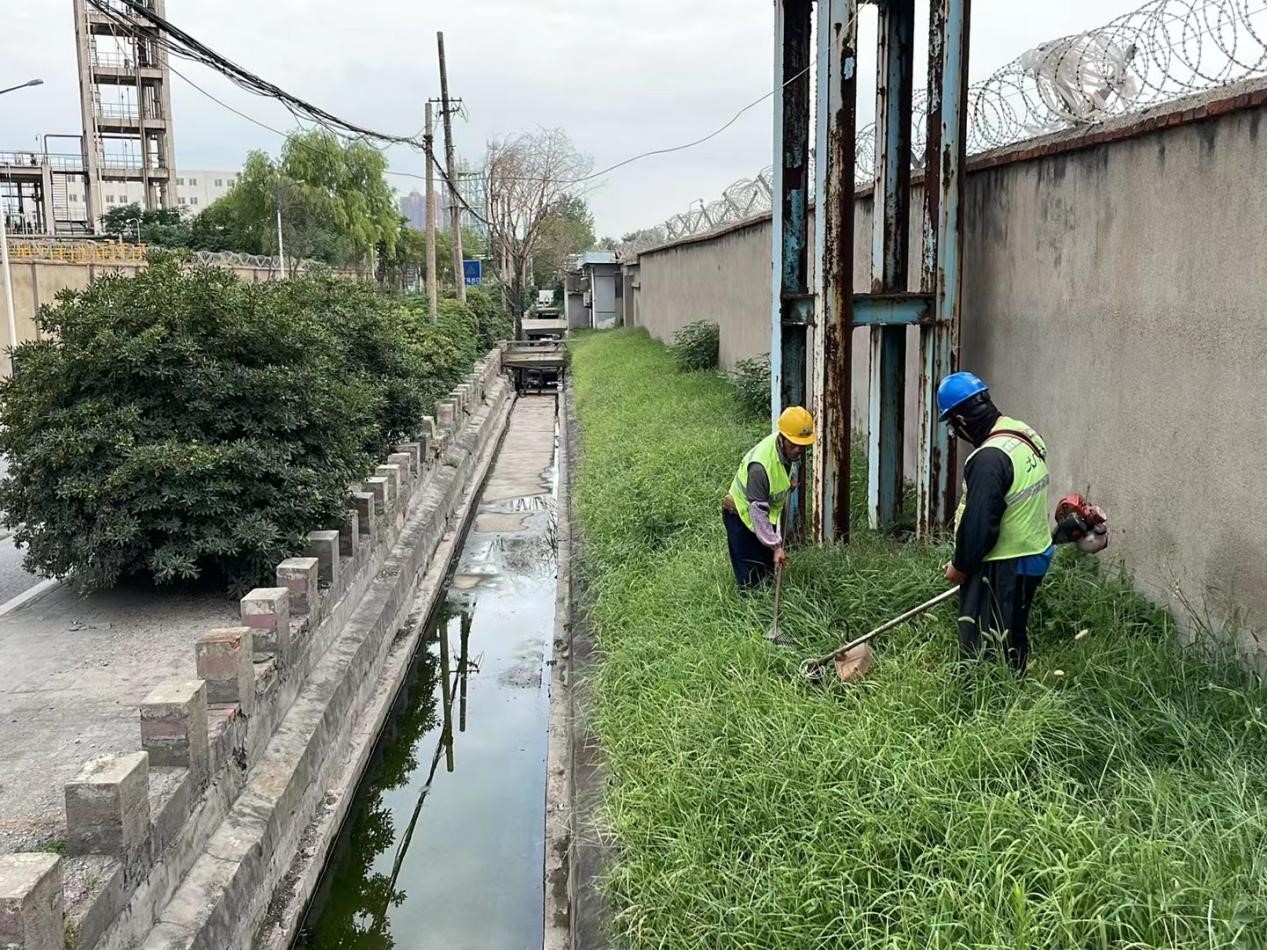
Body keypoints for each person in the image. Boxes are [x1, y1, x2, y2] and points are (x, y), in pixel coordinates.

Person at [938, 372, 1051, 674]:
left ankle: (986, 704)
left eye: (951, 425)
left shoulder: (988, 459)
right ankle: (1016, 685)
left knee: (985, 648)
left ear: (960, 420)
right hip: (1034, 553)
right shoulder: (1022, 433)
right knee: (1013, 633)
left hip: (1003, 564)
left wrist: (960, 566)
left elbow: (979, 525)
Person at [722, 406, 815, 590]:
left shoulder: (790, 452)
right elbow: (757, 514)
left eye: (802, 445)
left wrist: (791, 481)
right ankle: (749, 614)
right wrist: (776, 546)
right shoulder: (760, 467)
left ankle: (765, 605)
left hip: (764, 516)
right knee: (750, 577)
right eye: (793, 443)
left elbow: (785, 471)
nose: (798, 449)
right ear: (782, 437)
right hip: (741, 517)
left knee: (768, 571)